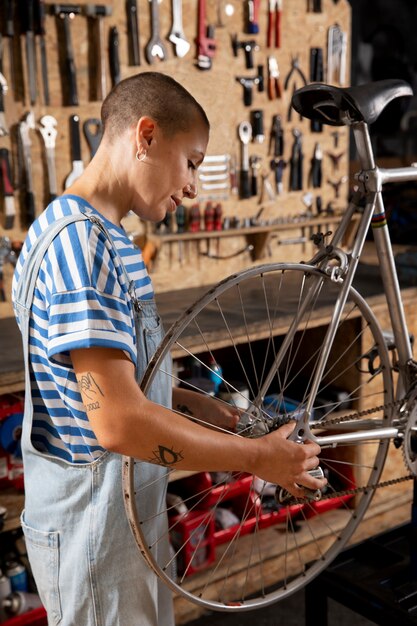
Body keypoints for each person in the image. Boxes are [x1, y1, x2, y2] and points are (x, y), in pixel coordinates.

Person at [12, 72, 326, 626]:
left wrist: (188, 402)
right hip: (95, 526)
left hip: (121, 511)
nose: (193, 188)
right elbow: (117, 424)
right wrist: (259, 459)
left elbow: (112, 382)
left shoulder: (97, 233)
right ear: (147, 136)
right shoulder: (80, 248)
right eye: (192, 162)